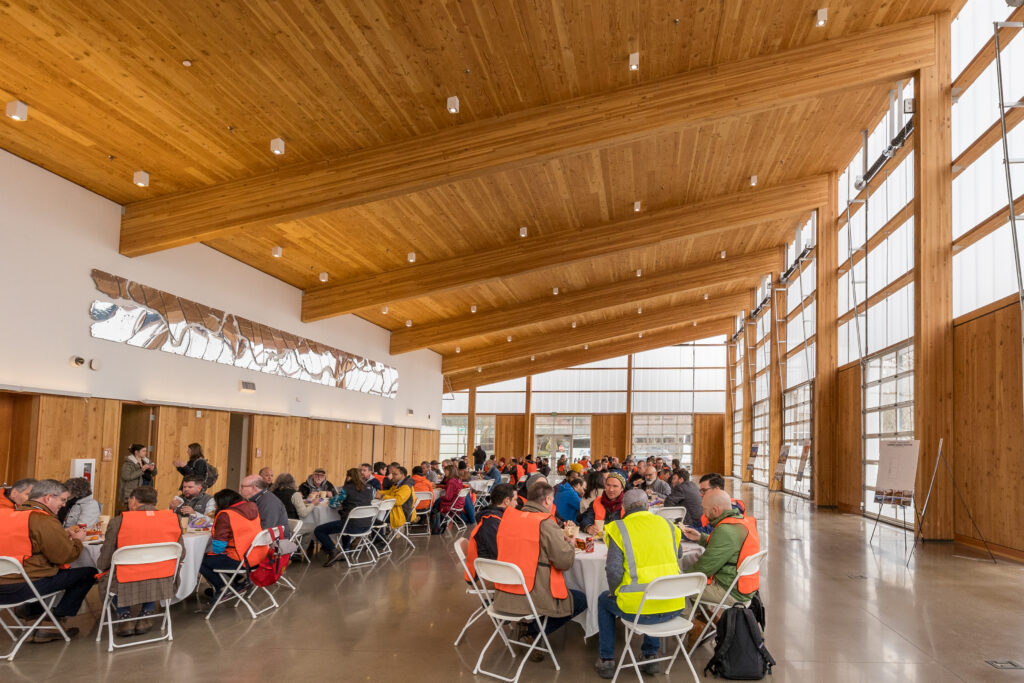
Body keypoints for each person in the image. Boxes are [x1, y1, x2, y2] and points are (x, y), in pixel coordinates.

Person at [594, 489, 686, 678]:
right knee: (654, 591)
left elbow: (613, 570)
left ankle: (607, 659)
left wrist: (615, 592)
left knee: (604, 600)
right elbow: (679, 555)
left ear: (624, 508)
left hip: (638, 610)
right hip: (675, 605)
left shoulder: (619, 528)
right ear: (647, 506)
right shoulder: (668, 525)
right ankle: (650, 654)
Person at [491, 480, 586, 659]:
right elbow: (564, 562)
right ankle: (532, 631)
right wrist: (571, 543)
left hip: (504, 593)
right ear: (548, 500)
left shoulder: (508, 518)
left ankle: (531, 628)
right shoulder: (545, 523)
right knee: (581, 599)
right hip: (531, 592)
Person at [0, 479, 95, 641]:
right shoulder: (43, 520)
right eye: (63, 500)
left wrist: (61, 535)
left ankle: (33, 614)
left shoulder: (7, 515)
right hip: (22, 588)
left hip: (3, 586)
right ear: (48, 498)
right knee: (88, 572)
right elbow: (64, 556)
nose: (64, 505)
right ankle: (51, 620)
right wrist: (78, 540)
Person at [96, 486, 182, 637]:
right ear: (155, 502)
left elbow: (106, 558)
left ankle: (125, 617)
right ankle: (146, 614)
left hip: (126, 579)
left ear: (133, 501)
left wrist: (101, 567)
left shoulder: (119, 521)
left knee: (110, 573)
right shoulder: (173, 519)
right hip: (162, 577)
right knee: (153, 571)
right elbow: (182, 553)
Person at [684, 489, 761, 609]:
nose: (703, 514)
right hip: (745, 587)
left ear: (715, 510)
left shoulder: (724, 530)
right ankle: (702, 618)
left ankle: (693, 623)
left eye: (704, 509)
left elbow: (704, 568)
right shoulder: (741, 521)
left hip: (731, 592)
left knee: (678, 589)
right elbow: (727, 547)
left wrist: (680, 578)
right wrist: (700, 538)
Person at [198, 489, 263, 601]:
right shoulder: (252, 507)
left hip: (242, 560)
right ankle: (239, 581)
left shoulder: (226, 515)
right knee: (217, 557)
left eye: (216, 503)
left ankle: (222, 587)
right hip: (257, 557)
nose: (215, 505)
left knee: (200, 560)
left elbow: (218, 548)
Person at [318, 468, 375, 567]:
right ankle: (346, 550)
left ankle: (333, 551)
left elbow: (333, 504)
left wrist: (334, 498)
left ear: (349, 477)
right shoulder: (370, 488)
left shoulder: (346, 489)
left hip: (352, 526)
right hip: (367, 526)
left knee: (319, 530)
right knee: (345, 522)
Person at [463, 483, 516, 578]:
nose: (517, 504)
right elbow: (499, 554)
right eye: (515, 500)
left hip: (492, 568)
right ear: (507, 501)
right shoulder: (491, 522)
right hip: (485, 575)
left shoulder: (497, 517)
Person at [379, 464, 418, 530]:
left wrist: (382, 496)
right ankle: (378, 536)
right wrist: (377, 493)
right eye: (392, 474)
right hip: (397, 511)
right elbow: (390, 492)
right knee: (376, 514)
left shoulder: (405, 486)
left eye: (395, 474)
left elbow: (398, 501)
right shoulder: (399, 484)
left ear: (402, 475)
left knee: (373, 516)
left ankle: (378, 537)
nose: (392, 476)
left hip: (402, 514)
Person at [431, 465, 468, 534]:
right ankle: (441, 520)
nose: (444, 472)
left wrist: (441, 497)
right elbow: (448, 487)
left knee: (435, 503)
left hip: (452, 503)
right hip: (459, 503)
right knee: (437, 503)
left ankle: (435, 525)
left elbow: (448, 498)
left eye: (445, 471)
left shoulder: (451, 481)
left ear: (450, 472)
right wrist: (438, 486)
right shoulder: (458, 480)